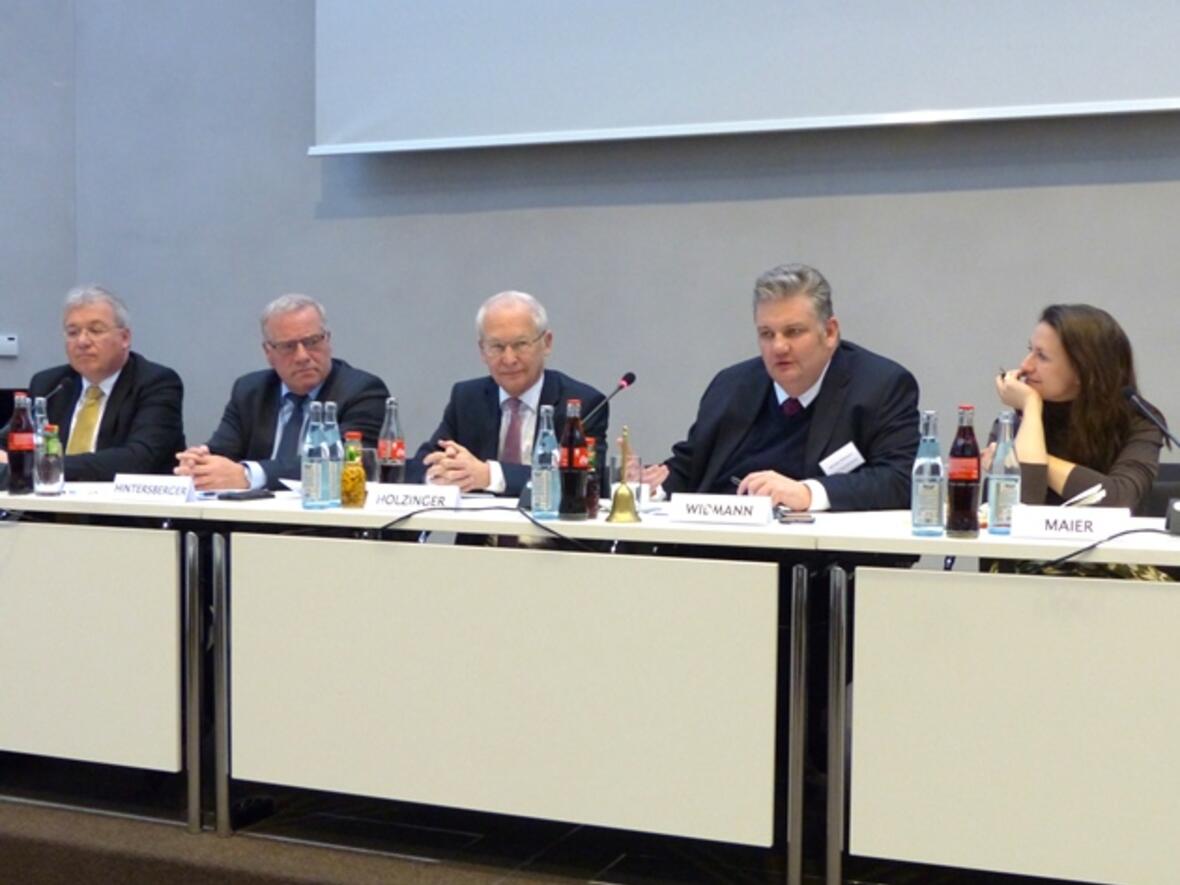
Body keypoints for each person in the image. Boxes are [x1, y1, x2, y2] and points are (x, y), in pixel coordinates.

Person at [645, 263, 919, 511]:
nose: (778, 347)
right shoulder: (731, 385)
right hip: (714, 546)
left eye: (794, 332)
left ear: (831, 332)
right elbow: (691, 466)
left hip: (809, 555)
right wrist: (650, 487)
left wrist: (809, 493)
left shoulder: (879, 386)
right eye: (767, 334)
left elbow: (901, 479)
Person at [175, 294, 388, 491]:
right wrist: (199, 464)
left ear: (327, 340)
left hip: (325, 523)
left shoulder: (363, 391)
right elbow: (222, 451)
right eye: (288, 347)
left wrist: (250, 476)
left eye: (312, 342)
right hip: (252, 520)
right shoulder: (251, 391)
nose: (302, 356)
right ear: (268, 353)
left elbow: (343, 462)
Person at [409, 290, 607, 496]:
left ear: (547, 343)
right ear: (482, 351)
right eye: (497, 347)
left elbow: (582, 484)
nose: (509, 359)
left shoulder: (581, 404)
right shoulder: (467, 398)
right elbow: (419, 467)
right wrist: (440, 474)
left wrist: (490, 475)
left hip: (547, 527)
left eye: (521, 345)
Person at [0, 284, 184, 481]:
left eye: (95, 330)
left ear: (124, 338)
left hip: (121, 508)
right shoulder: (50, 384)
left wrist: (42, 465)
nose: (82, 341)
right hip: (46, 509)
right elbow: (9, 441)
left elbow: (138, 459)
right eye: (72, 332)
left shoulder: (156, 383)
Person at [994, 303, 1163, 510]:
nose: (1025, 366)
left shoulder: (1139, 421)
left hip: (1110, 542)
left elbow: (1119, 499)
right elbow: (1023, 507)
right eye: (1030, 350)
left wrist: (1020, 461)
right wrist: (1031, 407)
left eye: (1042, 356)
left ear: (1083, 371)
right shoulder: (1015, 423)